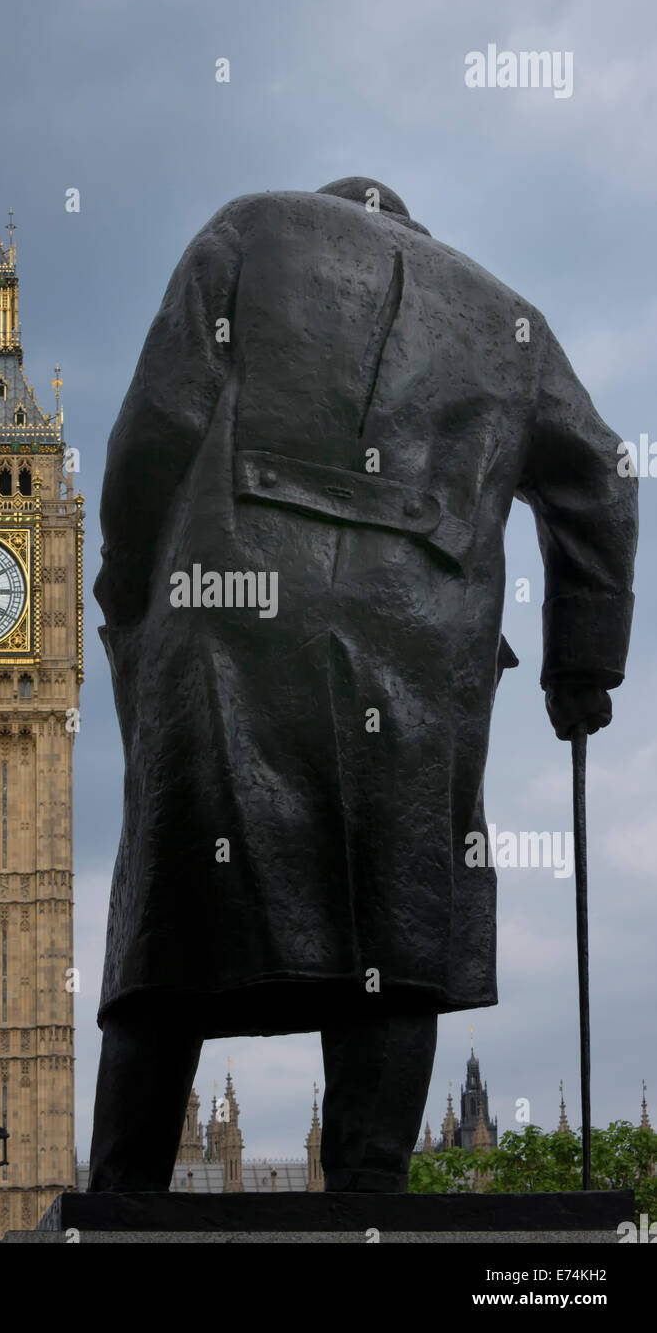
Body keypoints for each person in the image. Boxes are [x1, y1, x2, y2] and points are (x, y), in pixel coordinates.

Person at [88, 177, 637, 1191]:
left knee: (180, 897)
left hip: (230, 605)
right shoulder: (511, 321)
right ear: (412, 230)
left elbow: (156, 424)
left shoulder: (250, 227)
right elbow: (602, 475)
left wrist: (125, 584)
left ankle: (118, 1195)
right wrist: (580, 664)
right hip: (420, 633)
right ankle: (370, 1197)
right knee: (399, 912)